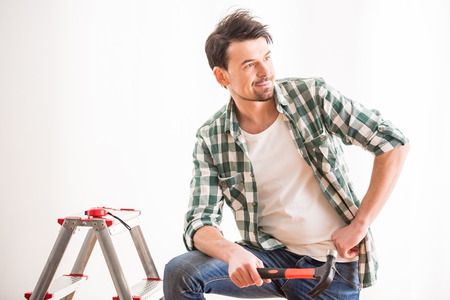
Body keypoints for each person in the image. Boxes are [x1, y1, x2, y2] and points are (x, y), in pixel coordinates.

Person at [164, 9, 409, 299]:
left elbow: (392, 143)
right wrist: (233, 253)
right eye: (249, 65)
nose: (265, 72)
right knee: (181, 272)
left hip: (330, 267)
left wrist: (359, 226)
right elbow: (199, 223)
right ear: (221, 76)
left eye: (267, 57)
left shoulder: (312, 97)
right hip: (267, 261)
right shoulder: (212, 137)